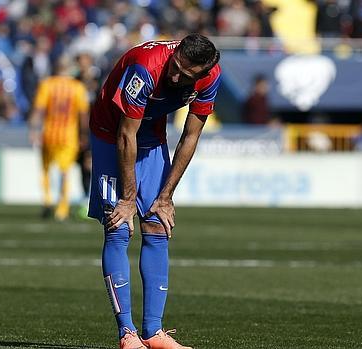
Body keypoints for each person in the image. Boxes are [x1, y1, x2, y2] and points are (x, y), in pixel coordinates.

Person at [88, 33, 221, 349]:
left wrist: (165, 197)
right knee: (119, 227)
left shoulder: (211, 78)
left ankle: (153, 332)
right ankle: (127, 335)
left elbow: (190, 137)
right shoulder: (146, 68)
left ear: (202, 74)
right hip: (112, 134)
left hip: (151, 134)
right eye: (175, 68)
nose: (175, 76)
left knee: (158, 223)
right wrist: (128, 198)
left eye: (185, 75)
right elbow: (125, 135)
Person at [29, 58, 89, 221]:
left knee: (46, 169)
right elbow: (83, 114)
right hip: (68, 137)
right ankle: (62, 209)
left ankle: (47, 200)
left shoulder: (47, 85)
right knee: (64, 172)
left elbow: (38, 110)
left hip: (48, 134)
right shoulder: (77, 87)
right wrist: (84, 135)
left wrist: (33, 130)